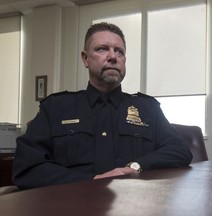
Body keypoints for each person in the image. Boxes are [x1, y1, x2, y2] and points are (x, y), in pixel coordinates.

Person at [12, 22, 193, 189]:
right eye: (102, 49)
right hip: (72, 204)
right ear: (85, 59)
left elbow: (179, 151)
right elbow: (27, 167)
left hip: (134, 205)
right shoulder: (56, 108)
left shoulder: (147, 109)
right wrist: (90, 181)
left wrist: (135, 167)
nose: (113, 56)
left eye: (119, 51)